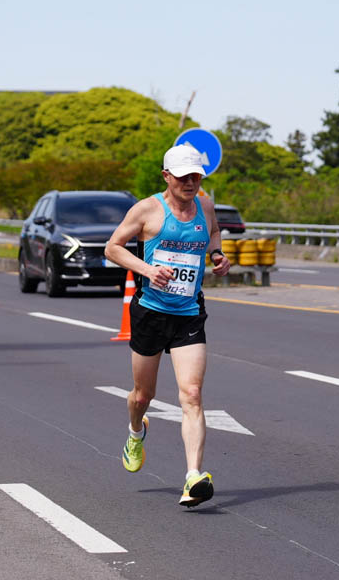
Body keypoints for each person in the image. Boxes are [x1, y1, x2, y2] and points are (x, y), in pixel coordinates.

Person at [104, 144, 232, 508]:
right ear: (166, 177)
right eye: (183, 177)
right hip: (150, 311)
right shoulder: (147, 210)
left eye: (196, 176)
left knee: (191, 394)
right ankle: (135, 430)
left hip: (189, 312)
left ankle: (193, 477)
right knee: (142, 396)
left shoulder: (205, 207)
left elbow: (214, 234)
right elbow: (113, 248)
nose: (191, 182)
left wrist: (219, 256)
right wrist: (147, 270)